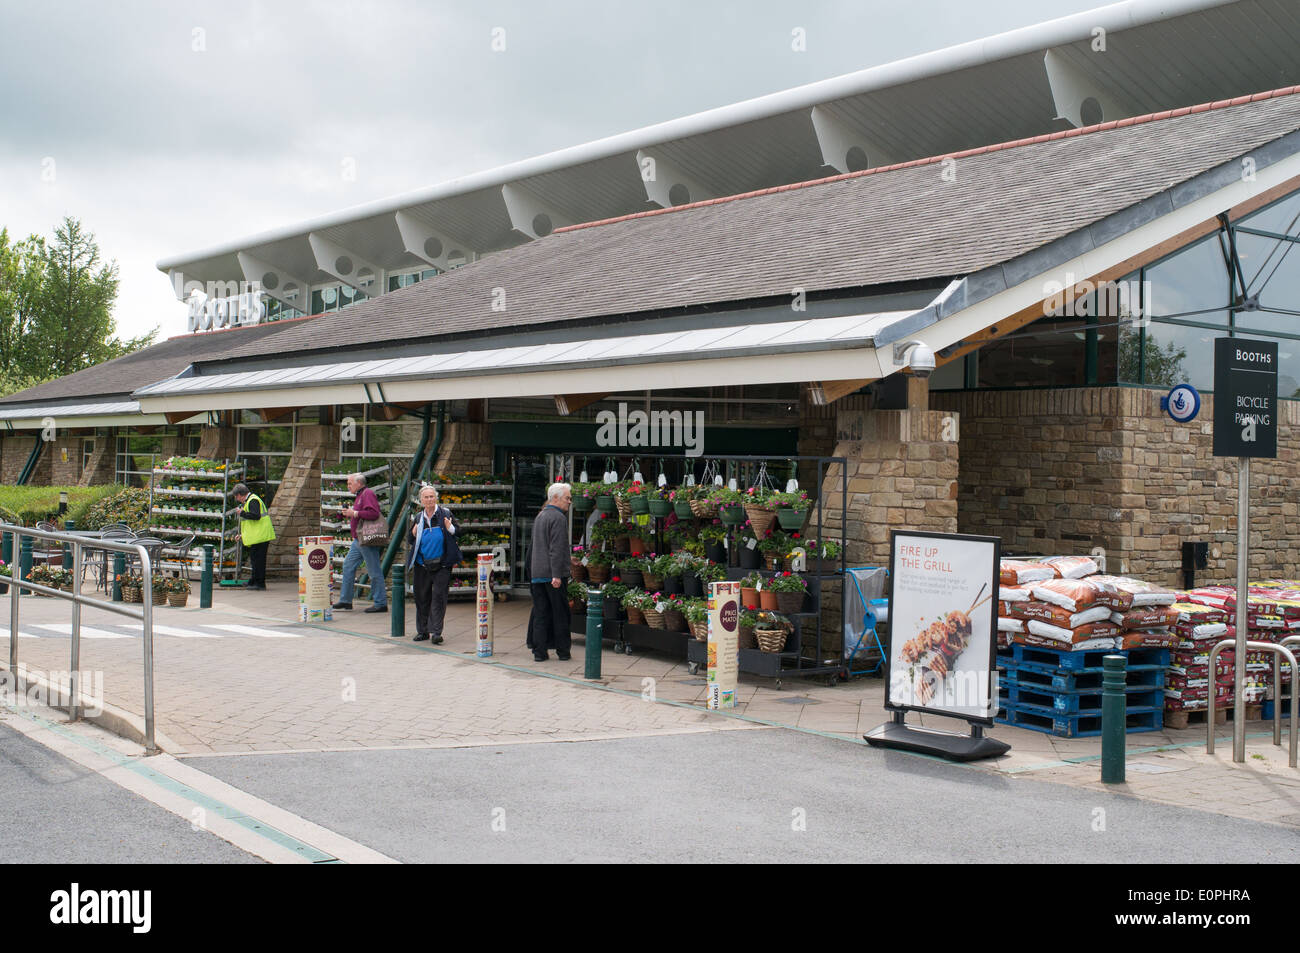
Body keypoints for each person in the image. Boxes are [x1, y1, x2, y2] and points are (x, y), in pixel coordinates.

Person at [405, 484, 460, 643]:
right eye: (426, 497)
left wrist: (450, 528)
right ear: (421, 500)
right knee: (421, 597)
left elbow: (459, 532)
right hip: (422, 564)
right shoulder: (418, 518)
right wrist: (413, 533)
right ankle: (422, 631)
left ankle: (436, 632)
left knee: (438, 597)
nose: (429, 499)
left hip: (442, 564)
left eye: (431, 496)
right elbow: (410, 539)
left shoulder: (446, 514)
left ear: (436, 498)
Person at [528, 482, 572, 662]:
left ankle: (539, 652)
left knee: (541, 613)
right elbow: (556, 548)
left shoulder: (540, 516)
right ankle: (563, 651)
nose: (569, 502)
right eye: (567, 498)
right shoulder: (558, 518)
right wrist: (556, 575)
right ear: (555, 498)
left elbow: (538, 546)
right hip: (553, 575)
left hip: (537, 573)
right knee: (560, 613)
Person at [333, 472, 388, 613]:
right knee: (348, 566)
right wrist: (351, 513)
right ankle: (345, 600)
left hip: (366, 539)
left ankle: (381, 602)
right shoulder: (360, 495)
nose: (348, 486)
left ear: (359, 483)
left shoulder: (367, 493)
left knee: (374, 570)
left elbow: (374, 513)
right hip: (359, 539)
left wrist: (355, 513)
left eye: (350, 483)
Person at [233, 482, 275, 591]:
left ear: (240, 494)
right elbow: (251, 524)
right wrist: (242, 535)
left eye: (236, 497)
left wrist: (241, 513)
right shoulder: (251, 500)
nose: (237, 500)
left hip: (261, 536)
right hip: (258, 536)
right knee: (255, 560)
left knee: (259, 561)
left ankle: (260, 583)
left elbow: (255, 516)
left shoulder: (253, 500)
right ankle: (253, 581)